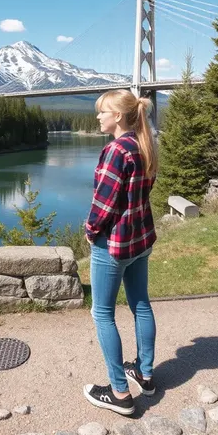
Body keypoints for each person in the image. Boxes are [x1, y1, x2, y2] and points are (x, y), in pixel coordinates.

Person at [83, 89, 158, 416]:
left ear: (118, 116)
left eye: (103, 112)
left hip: (113, 246)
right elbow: (140, 195)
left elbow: (104, 204)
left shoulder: (115, 150)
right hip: (140, 241)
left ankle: (119, 393)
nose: (98, 117)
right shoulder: (144, 145)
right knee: (140, 304)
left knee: (102, 313)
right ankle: (145, 373)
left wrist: (90, 231)